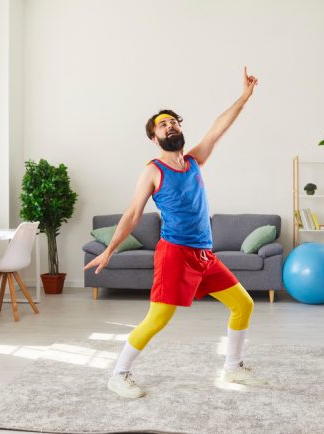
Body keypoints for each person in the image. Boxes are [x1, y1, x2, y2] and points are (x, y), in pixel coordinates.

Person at [84, 67, 264, 399]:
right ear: (154, 137)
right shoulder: (153, 171)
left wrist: (244, 97)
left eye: (174, 121)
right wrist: (110, 250)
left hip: (204, 255)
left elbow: (217, 129)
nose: (171, 125)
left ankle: (233, 367)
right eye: (163, 124)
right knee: (158, 318)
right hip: (174, 254)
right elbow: (133, 214)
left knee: (244, 304)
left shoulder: (194, 161)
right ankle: (119, 373)